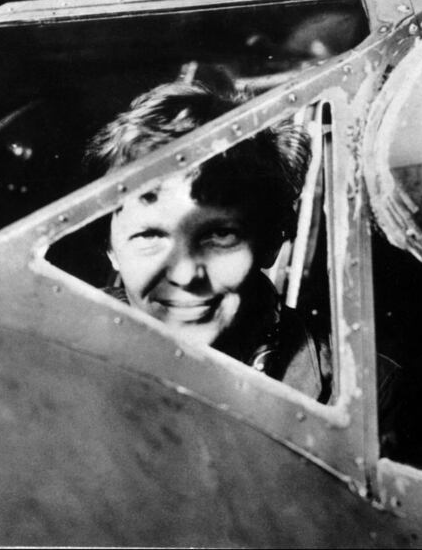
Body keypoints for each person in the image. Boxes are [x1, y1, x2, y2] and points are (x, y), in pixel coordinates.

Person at [83, 80, 331, 401]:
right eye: (149, 236)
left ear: (270, 240)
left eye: (219, 235)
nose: (185, 275)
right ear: (111, 249)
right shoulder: (45, 353)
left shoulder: (362, 396)